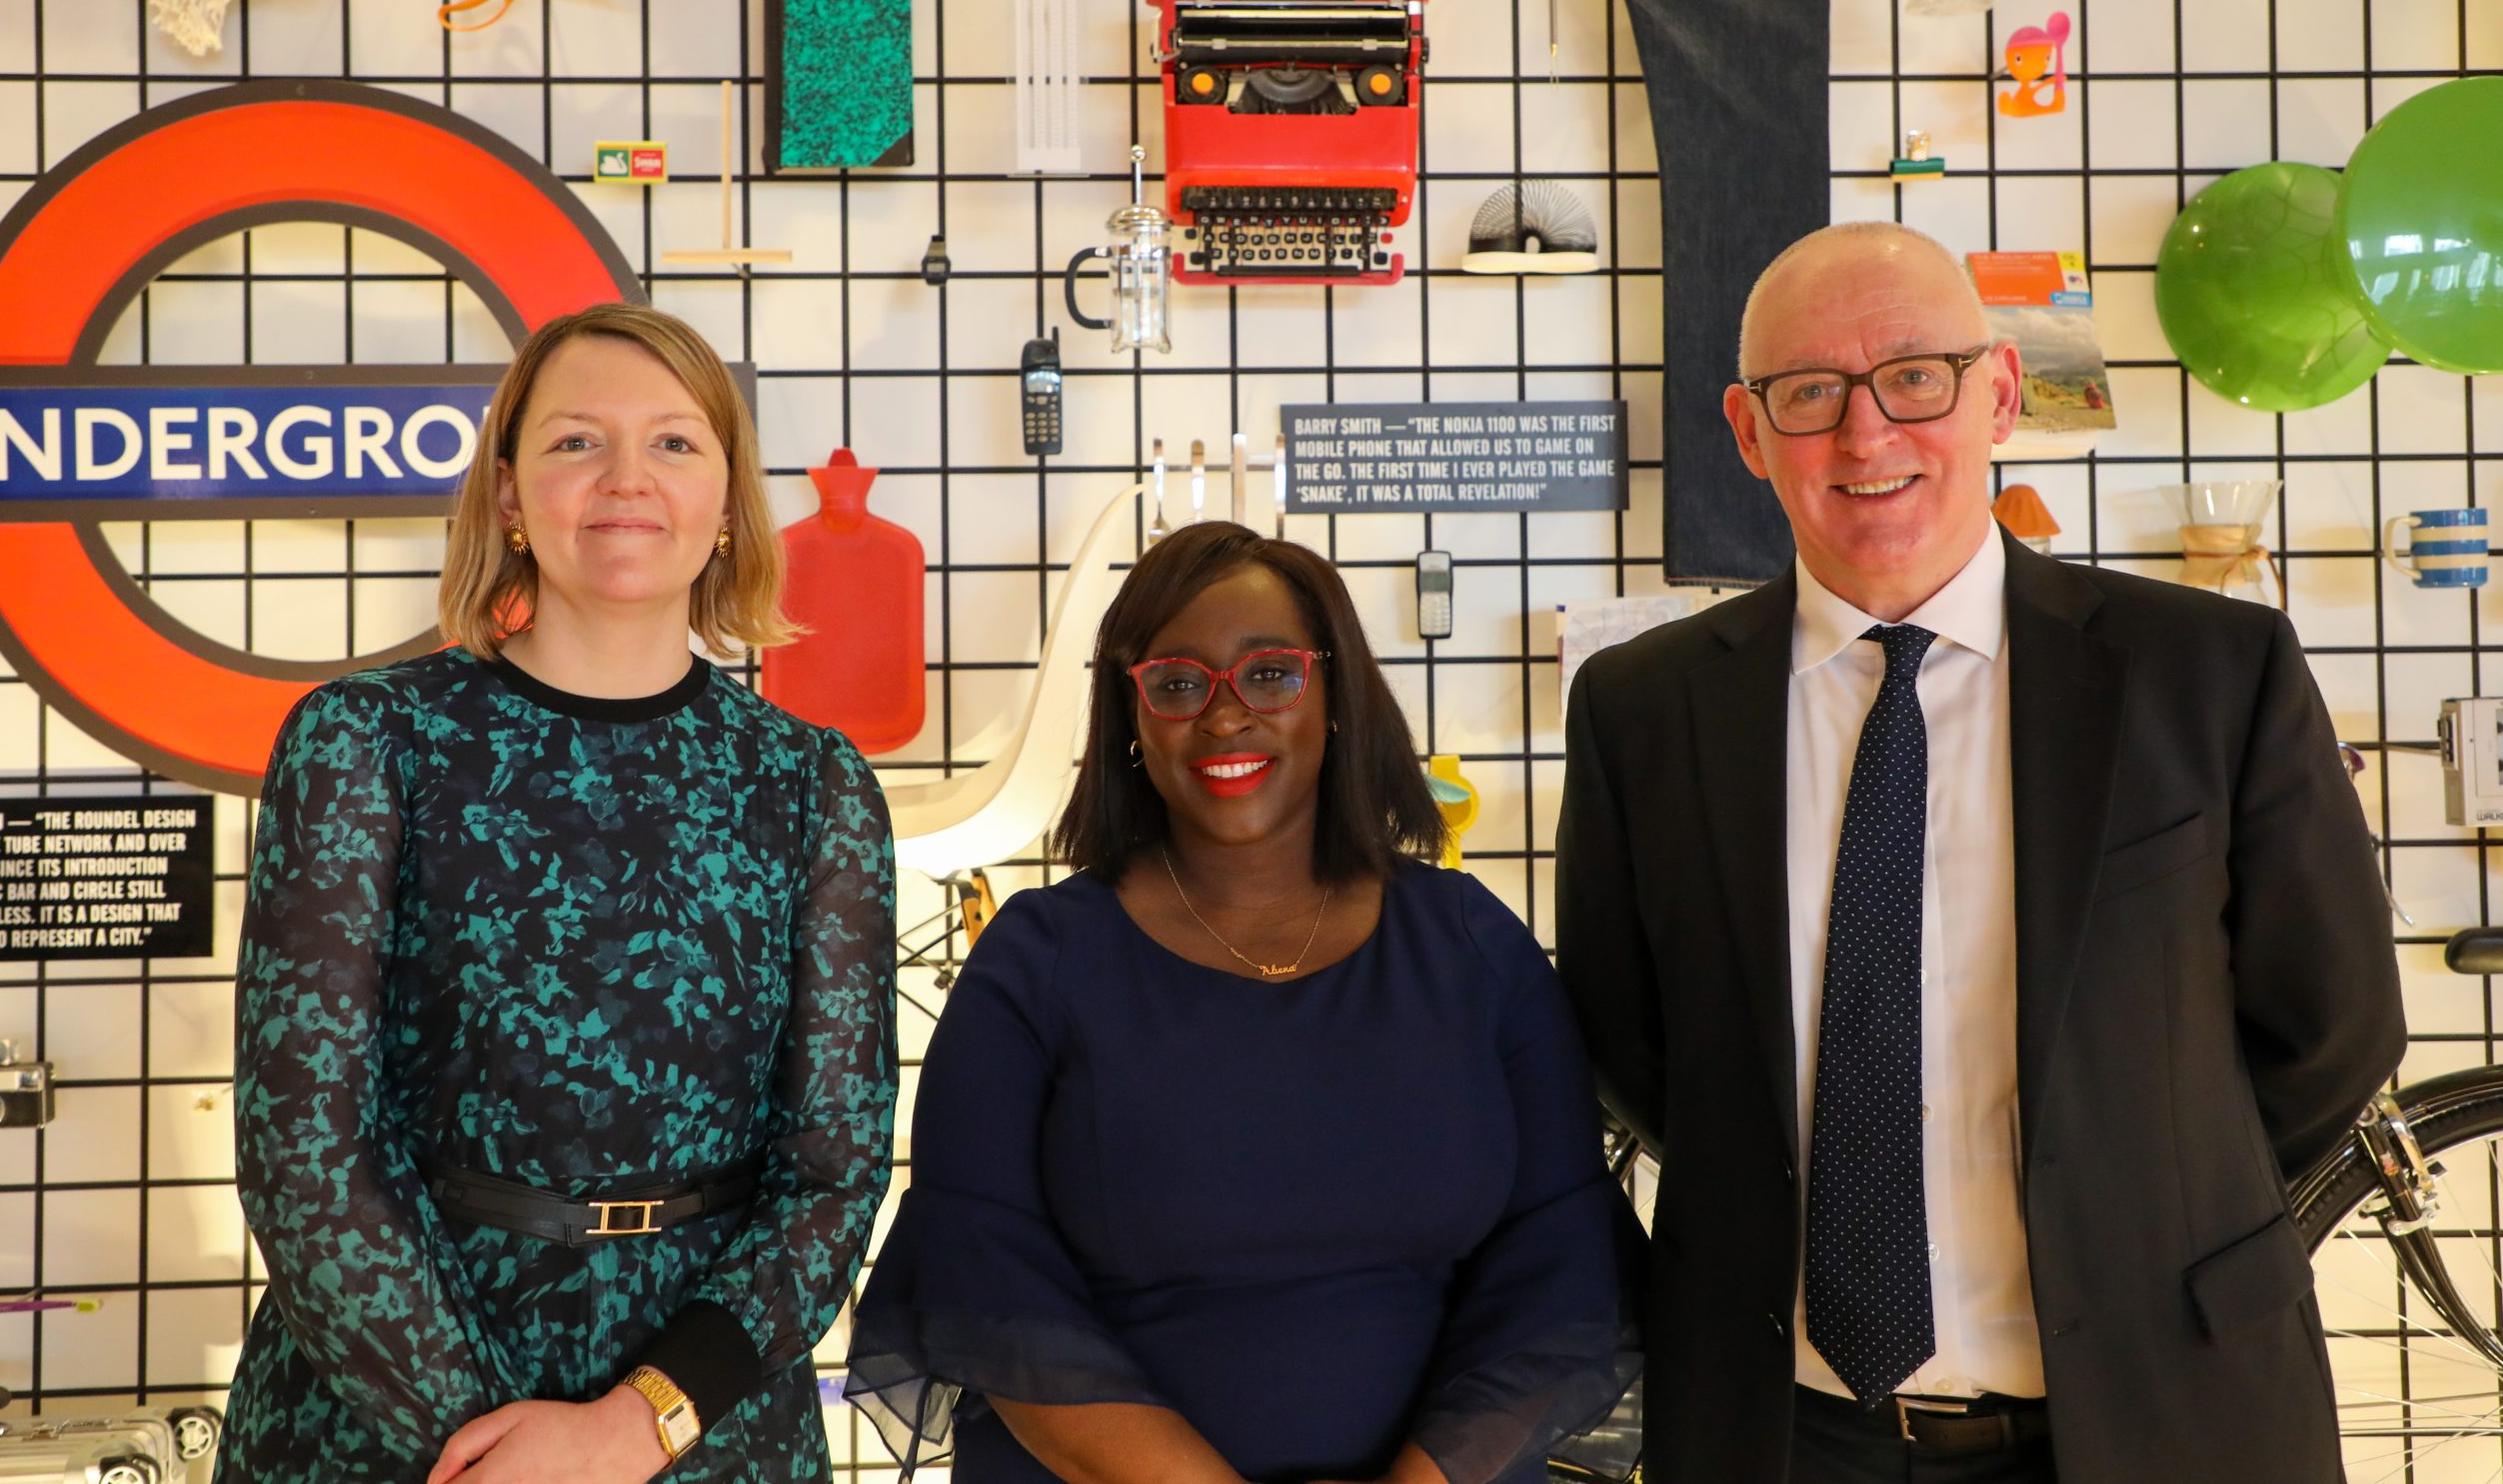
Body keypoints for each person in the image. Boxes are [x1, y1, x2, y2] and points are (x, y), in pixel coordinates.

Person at [1555, 221, 2404, 1484]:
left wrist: (2141, 1189)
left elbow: (2330, 1025)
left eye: (1915, 376)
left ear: (1998, 393)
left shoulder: (2211, 674)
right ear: (1746, 432)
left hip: (2163, 1404)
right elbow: (1632, 1046)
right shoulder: (1642, 708)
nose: (1865, 434)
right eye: (1809, 394)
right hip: (1786, 1434)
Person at [222, 303, 897, 1483]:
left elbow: (833, 1176)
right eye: (577, 441)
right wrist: (493, 1450)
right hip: (388, 1420)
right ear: (507, 496)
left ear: (730, 504)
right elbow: (305, 1150)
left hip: (709, 1426)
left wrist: (635, 1426)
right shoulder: (367, 741)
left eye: (676, 444)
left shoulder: (812, 784)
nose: (627, 478)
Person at [845, 520, 1641, 1484]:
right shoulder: (1037, 961)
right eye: (1178, 684)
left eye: (1270, 674)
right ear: (1130, 719)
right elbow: (985, 1281)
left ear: (1336, 693)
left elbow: (1561, 1262)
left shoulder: (1472, 946)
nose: (1225, 716)